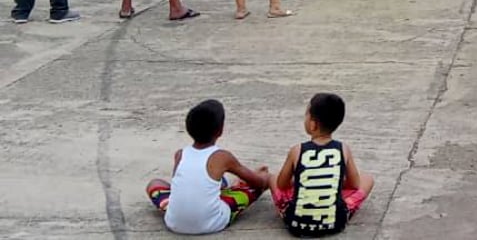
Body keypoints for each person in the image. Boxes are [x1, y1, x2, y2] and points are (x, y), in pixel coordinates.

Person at [145, 100, 272, 235]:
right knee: (262, 180)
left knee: (154, 183)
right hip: (212, 223)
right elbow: (257, 183)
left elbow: (179, 186)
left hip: (174, 223)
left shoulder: (180, 154)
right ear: (220, 130)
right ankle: (234, 188)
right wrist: (261, 179)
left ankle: (176, 208)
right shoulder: (222, 157)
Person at [271, 93, 374, 236]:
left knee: (273, 178)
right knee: (367, 179)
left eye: (306, 114)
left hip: (297, 224)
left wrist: (304, 181)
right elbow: (355, 184)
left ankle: (289, 210)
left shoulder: (296, 150)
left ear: (313, 124)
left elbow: (282, 184)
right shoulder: (344, 149)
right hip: (335, 223)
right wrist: (333, 181)